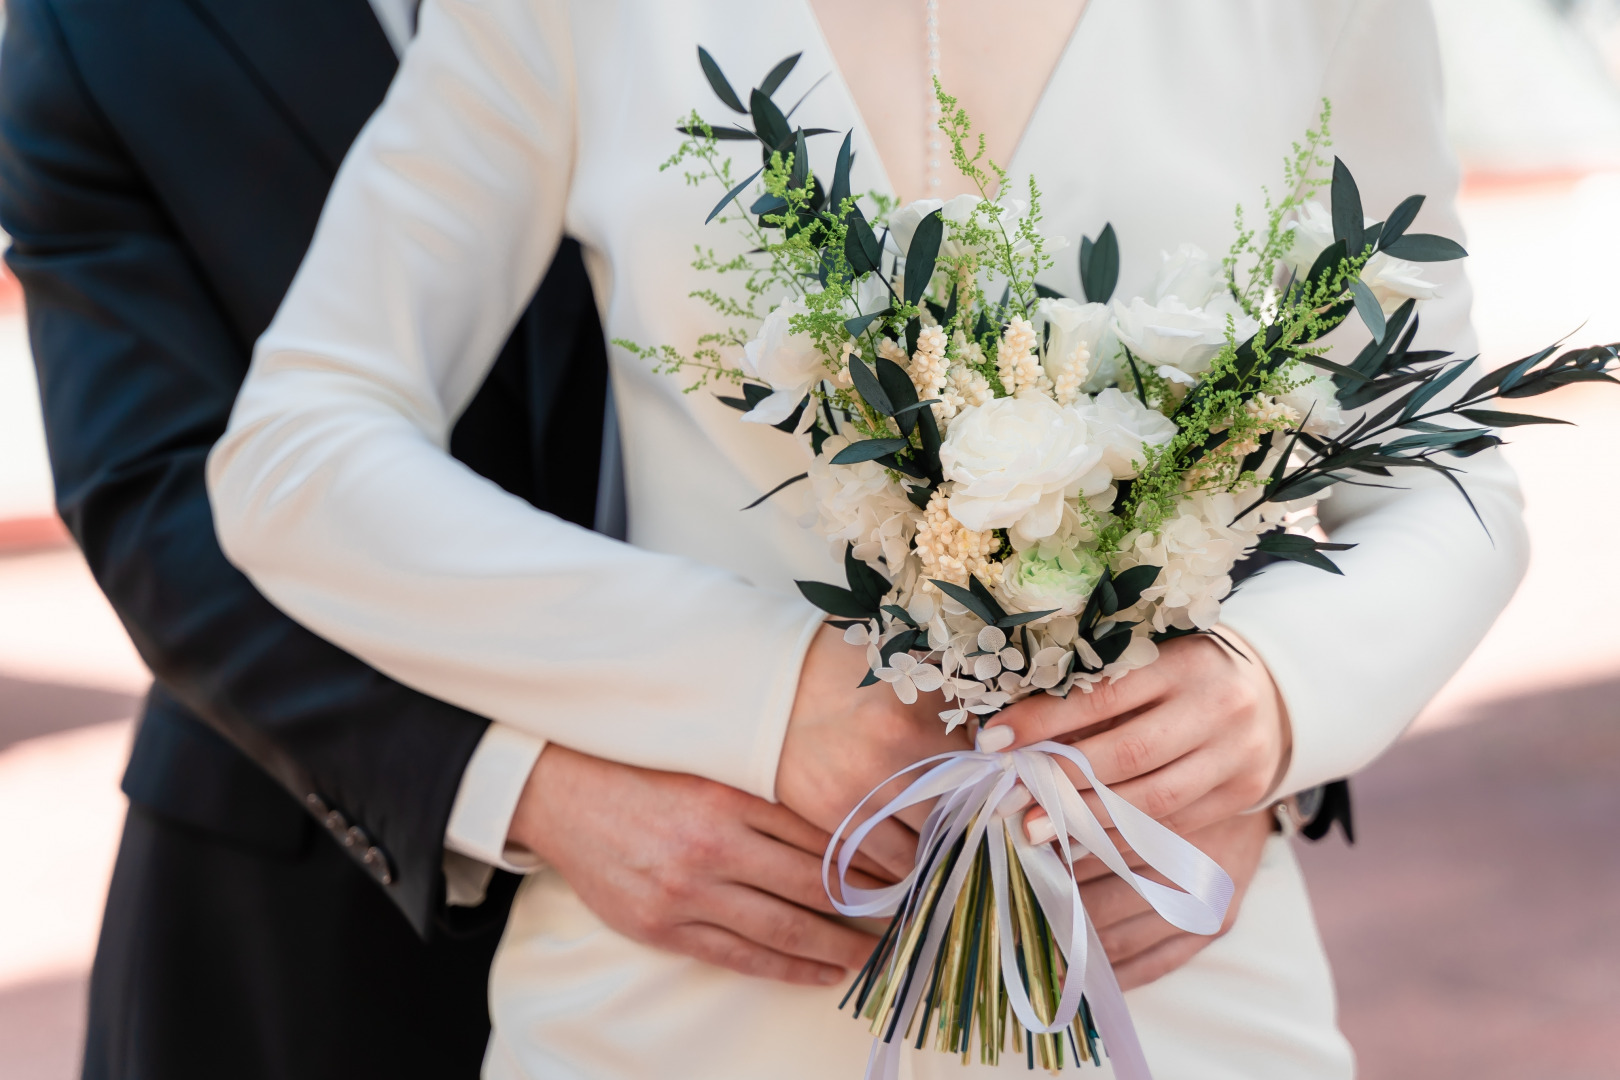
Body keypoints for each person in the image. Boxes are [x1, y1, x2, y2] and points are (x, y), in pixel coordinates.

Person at [202, 0, 1525, 1078]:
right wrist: (758, 686)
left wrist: (1270, 693)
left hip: (1158, 972)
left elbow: (1446, 466)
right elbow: (301, 449)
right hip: (699, 981)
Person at [0, 0, 979, 1076]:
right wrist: (532, 788)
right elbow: (154, 500)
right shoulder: (97, 29)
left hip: (846, 838)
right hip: (334, 881)